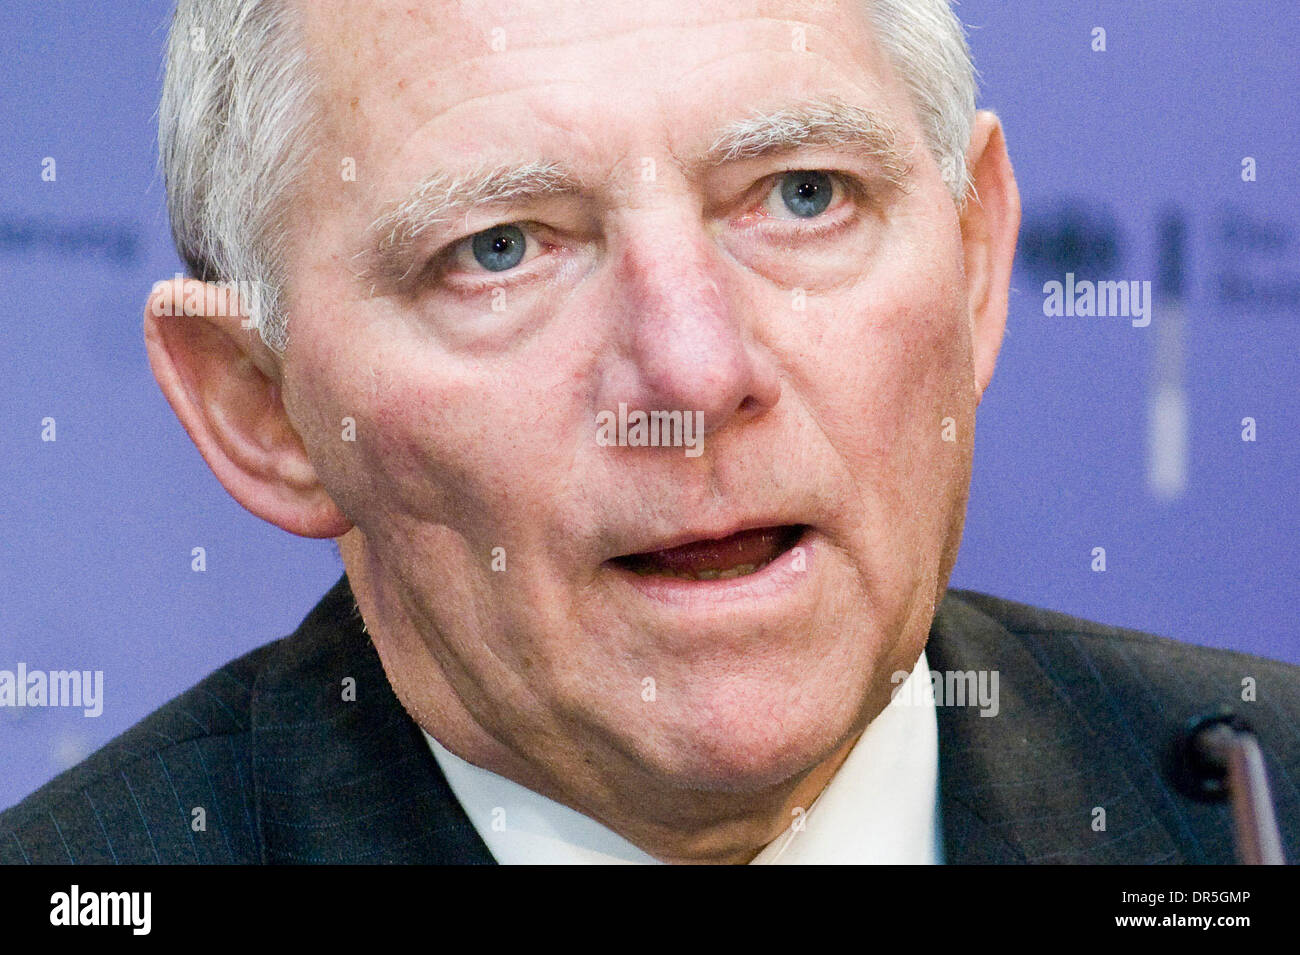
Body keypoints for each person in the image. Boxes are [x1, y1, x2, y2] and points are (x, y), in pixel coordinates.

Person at [2, 0, 1297, 865]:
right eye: (498, 251)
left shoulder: (1260, 798)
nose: (694, 372)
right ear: (263, 408)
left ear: (971, 267)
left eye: (803, 197)